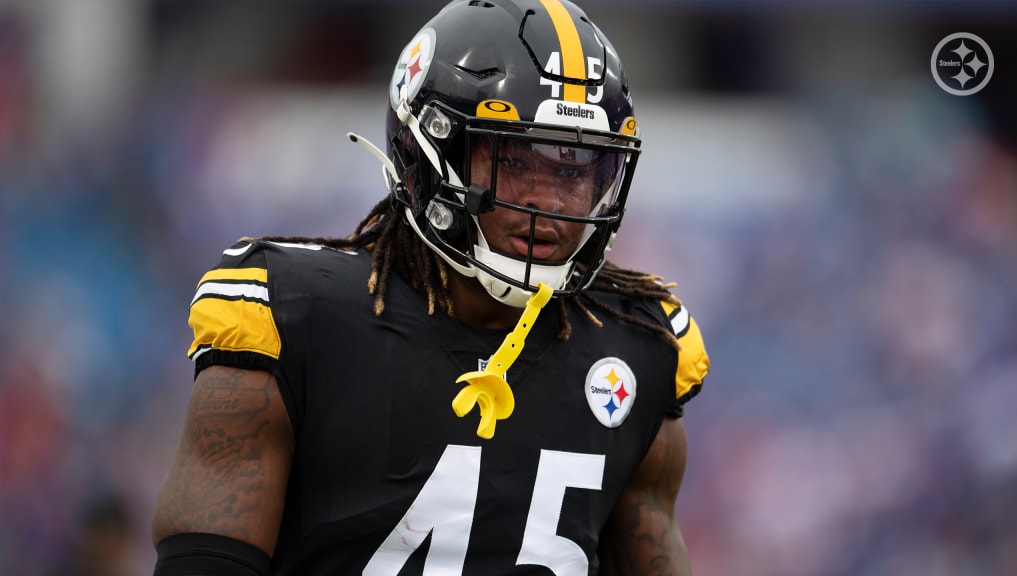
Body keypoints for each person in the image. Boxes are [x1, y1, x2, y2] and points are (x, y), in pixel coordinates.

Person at [151, 0, 710, 574]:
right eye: (516, 158)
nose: (548, 203)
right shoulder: (297, 317)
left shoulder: (641, 348)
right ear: (430, 149)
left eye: (573, 170)